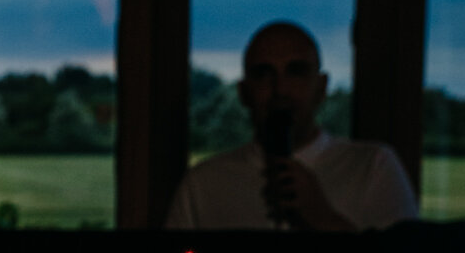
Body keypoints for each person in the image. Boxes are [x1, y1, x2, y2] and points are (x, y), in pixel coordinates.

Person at [166, 20, 419, 232]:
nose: (280, 90)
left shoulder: (374, 167)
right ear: (244, 92)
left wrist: (322, 217)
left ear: (321, 87)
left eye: (296, 72)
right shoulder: (203, 184)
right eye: (264, 74)